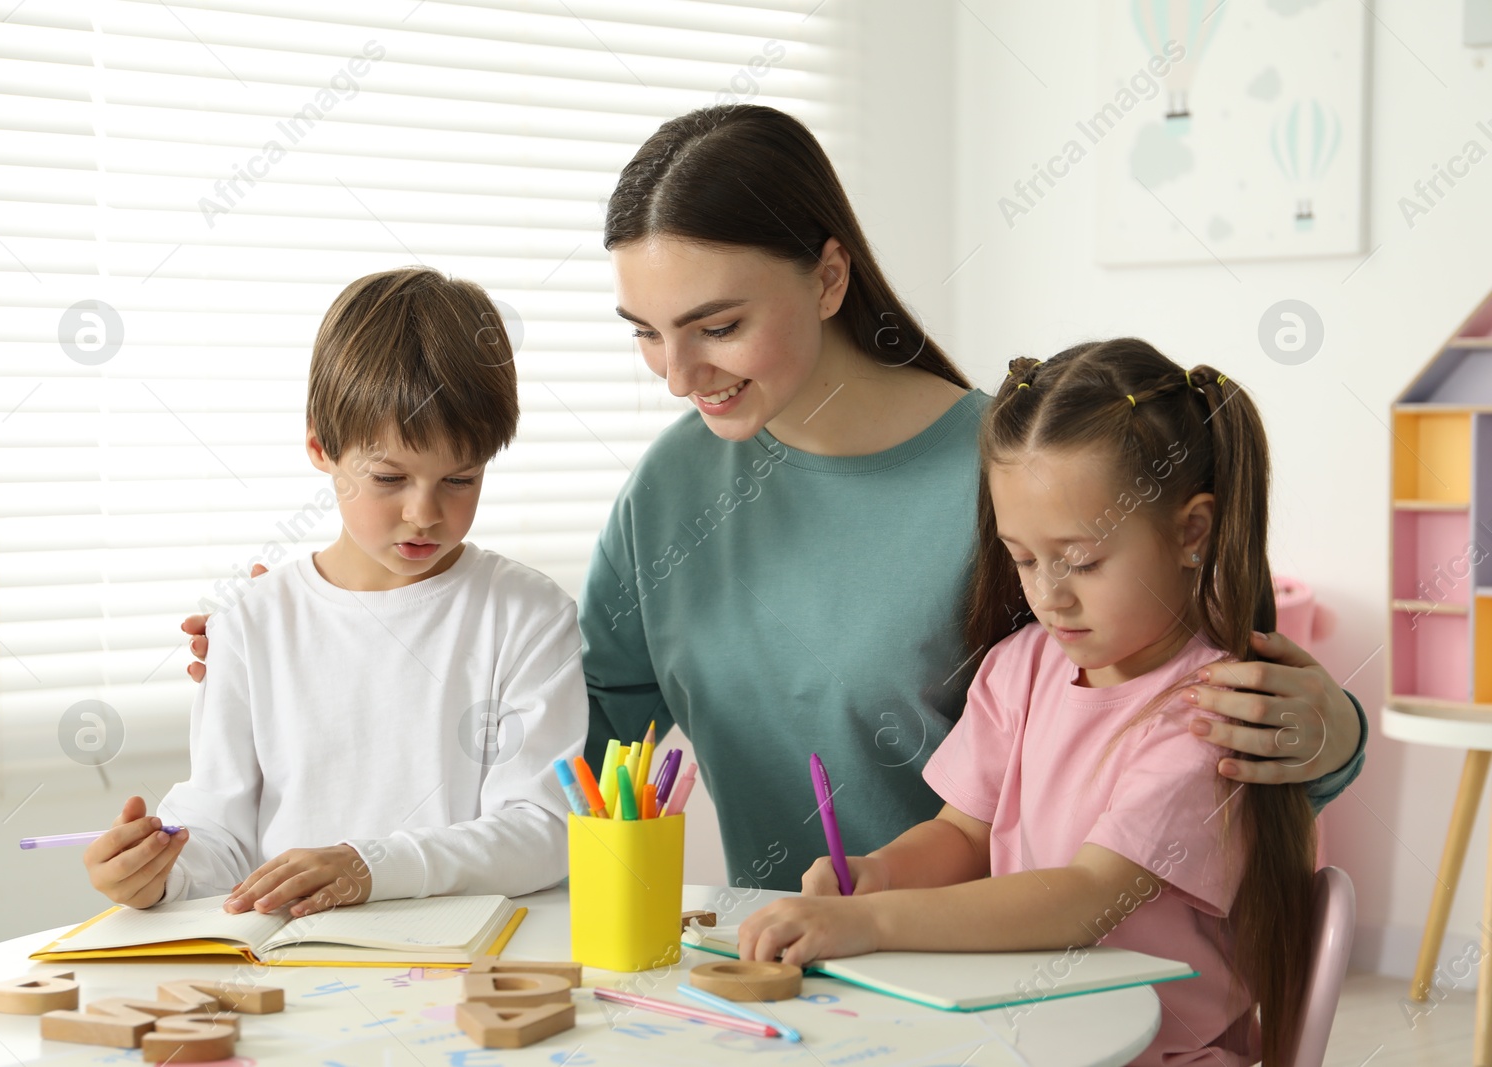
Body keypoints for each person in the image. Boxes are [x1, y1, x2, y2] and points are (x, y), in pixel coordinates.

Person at [184, 105, 1368, 892]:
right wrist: (334, 624)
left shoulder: (1012, 474)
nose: (680, 375)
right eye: (646, 334)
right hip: (770, 972)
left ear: (830, 273)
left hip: (997, 975)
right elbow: (572, 746)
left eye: (718, 326)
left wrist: (1334, 734)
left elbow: (1186, 714)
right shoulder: (671, 487)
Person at [739, 340, 1313, 1066]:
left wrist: (876, 921)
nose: (1048, 593)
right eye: (1024, 556)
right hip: (1029, 1029)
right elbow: (961, 833)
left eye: (1081, 560)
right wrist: (877, 873)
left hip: (1156, 1051)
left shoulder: (1210, 713)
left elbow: (1087, 896)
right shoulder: (1021, 667)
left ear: (1191, 533)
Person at [86, 267, 585, 915]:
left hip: (468, 964)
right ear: (321, 445)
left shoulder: (526, 614)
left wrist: (369, 866)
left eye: (460, 479)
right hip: (295, 966)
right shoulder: (249, 622)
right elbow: (217, 830)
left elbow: (542, 831)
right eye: (388, 477)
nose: (423, 513)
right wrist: (159, 873)